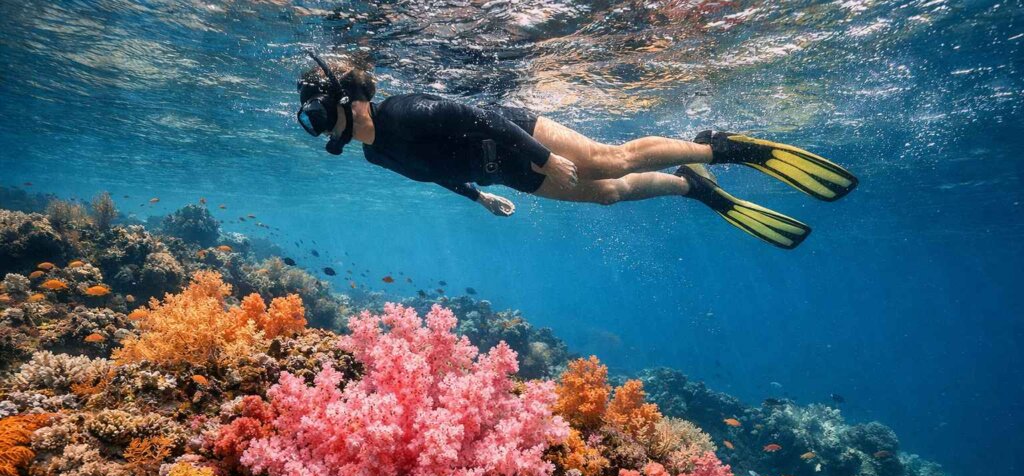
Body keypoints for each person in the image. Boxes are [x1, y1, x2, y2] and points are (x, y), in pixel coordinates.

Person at [296, 53, 857, 250]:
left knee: (608, 161)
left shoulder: (404, 110)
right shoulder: (376, 155)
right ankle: (691, 184)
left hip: (518, 135)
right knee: (607, 196)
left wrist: (540, 156)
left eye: (321, 110)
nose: (320, 125)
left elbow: (484, 115)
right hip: (505, 173)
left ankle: (719, 148)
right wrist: (478, 199)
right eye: (313, 118)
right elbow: (432, 172)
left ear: (352, 99)